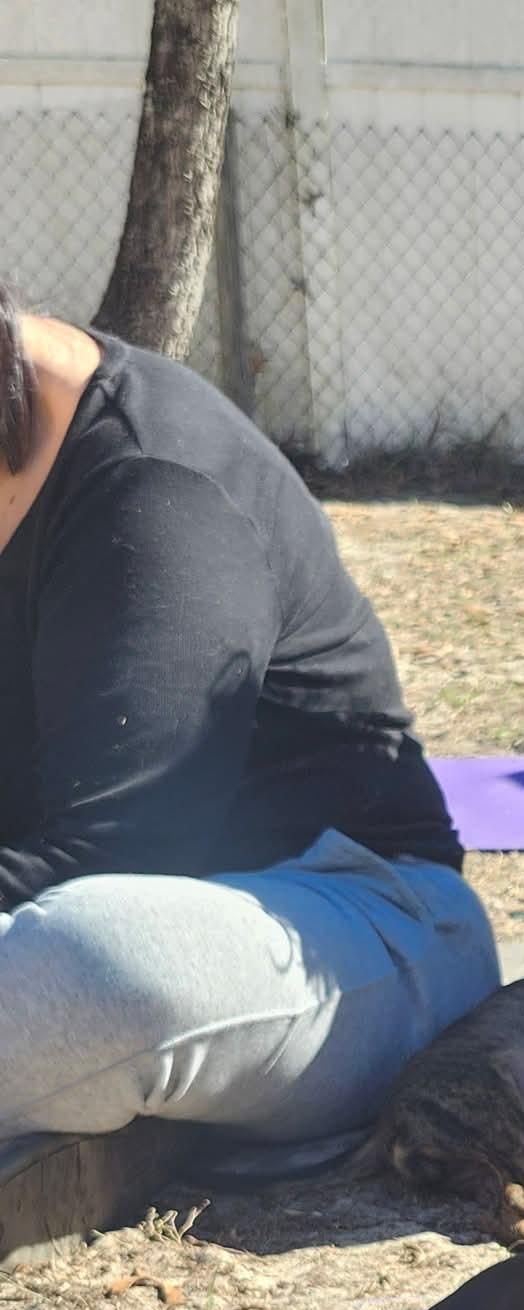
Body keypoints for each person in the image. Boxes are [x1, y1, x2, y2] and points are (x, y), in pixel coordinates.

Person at [0, 302, 498, 1166]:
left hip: (353, 931)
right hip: (95, 921)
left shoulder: (157, 482)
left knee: (83, 967)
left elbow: (119, 854)